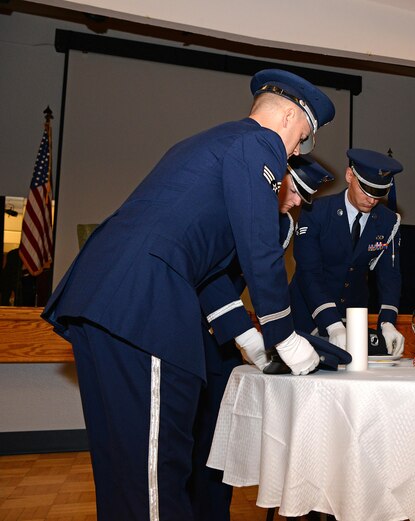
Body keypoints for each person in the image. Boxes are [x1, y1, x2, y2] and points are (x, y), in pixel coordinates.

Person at [42, 68, 335, 521]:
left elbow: (203, 270)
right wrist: (283, 334)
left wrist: (250, 339)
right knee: (158, 480)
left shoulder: (209, 144)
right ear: (288, 119)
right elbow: (259, 246)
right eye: (303, 138)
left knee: (126, 473)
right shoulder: (259, 143)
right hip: (148, 306)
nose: (296, 151)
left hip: (107, 299)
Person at [189, 157, 334, 521]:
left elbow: (263, 283)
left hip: (223, 335)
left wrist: (271, 337)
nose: (299, 202)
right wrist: (246, 334)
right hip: (189, 322)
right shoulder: (228, 207)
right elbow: (207, 275)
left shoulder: (282, 225)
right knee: (181, 437)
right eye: (296, 190)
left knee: (215, 435)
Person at [289, 148, 406, 356]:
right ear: (349, 176)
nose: (371, 200)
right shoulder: (316, 213)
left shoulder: (389, 222)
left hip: (352, 318)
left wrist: (387, 321)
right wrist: (332, 324)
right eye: (366, 190)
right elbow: (309, 273)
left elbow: (390, 275)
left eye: (379, 193)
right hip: (306, 316)